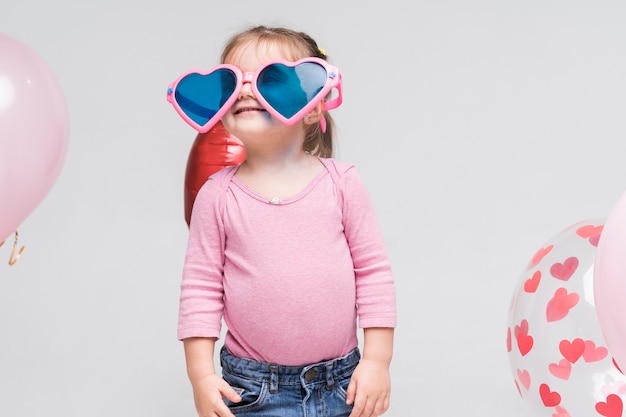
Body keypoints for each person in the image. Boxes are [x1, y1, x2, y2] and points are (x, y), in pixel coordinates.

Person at [172, 25, 396, 417]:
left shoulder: (341, 184)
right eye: (231, 82)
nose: (244, 91)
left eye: (268, 79)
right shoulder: (217, 196)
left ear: (314, 106)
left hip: (341, 383)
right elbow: (200, 287)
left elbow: (373, 273)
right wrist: (201, 375)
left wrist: (376, 363)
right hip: (251, 388)